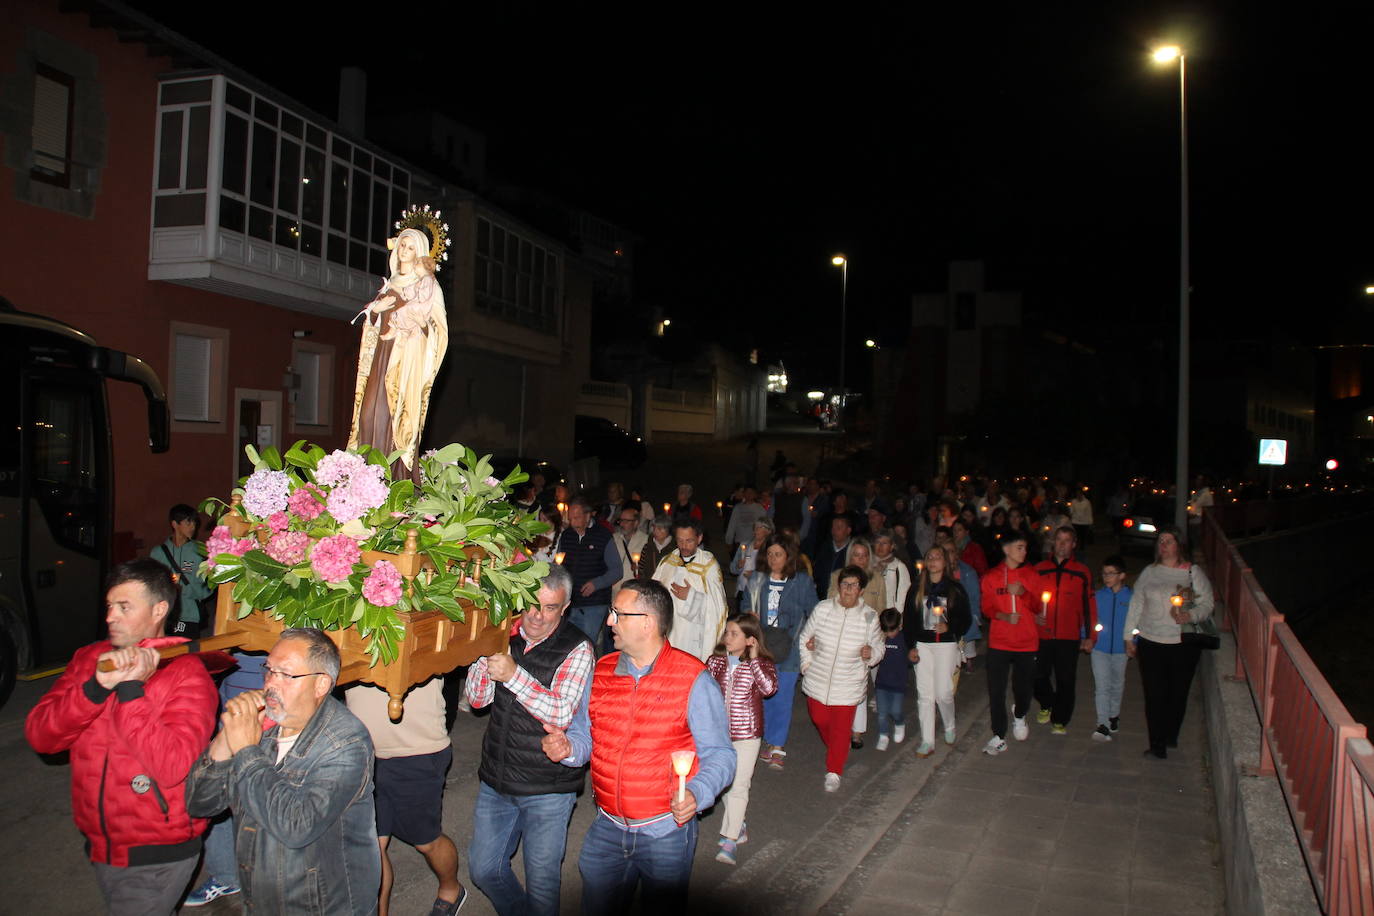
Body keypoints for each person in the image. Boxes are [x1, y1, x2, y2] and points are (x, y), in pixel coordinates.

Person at [26, 559, 217, 915]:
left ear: (159, 609)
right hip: (101, 842)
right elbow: (41, 737)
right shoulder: (89, 659)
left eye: (124, 607)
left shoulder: (187, 674)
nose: (110, 617)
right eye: (110, 606)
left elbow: (173, 764)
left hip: (158, 852)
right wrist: (96, 689)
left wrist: (130, 689)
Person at [540, 580, 734, 914]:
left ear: (647, 621)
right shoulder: (601, 671)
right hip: (608, 827)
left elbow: (721, 754)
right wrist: (567, 747)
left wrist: (697, 793)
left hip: (665, 832)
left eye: (618, 614)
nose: (610, 621)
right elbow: (585, 737)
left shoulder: (692, 678)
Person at [184, 629, 380, 914]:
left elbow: (295, 826)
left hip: (322, 905)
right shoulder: (262, 728)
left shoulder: (346, 742)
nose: (271, 683)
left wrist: (246, 752)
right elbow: (199, 803)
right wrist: (225, 740)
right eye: (269, 670)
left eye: (286, 675)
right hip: (264, 898)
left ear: (320, 684)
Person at [465, 565, 594, 916]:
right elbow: (477, 700)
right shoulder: (506, 633)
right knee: (484, 869)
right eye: (532, 604)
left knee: (542, 884)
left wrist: (514, 674)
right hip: (498, 776)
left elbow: (561, 714)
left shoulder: (578, 648)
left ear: (564, 607)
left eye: (550, 607)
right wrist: (485, 652)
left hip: (547, 787)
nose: (537, 616)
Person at [346, 676, 466, 916]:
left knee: (426, 841)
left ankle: (451, 888)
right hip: (363, 750)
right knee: (372, 847)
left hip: (417, 750)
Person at [349, 224, 448, 481]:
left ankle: (393, 480)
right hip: (381, 356)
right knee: (367, 413)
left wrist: (414, 324)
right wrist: (375, 309)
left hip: (405, 361)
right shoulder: (389, 284)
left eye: (411, 247)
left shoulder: (428, 286)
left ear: (421, 253)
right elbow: (372, 321)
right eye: (402, 245)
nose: (404, 250)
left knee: (392, 417)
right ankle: (365, 478)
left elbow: (438, 328)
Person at [1124, 526, 1215, 759]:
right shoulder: (1149, 572)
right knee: (1154, 694)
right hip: (1151, 640)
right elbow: (1136, 604)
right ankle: (1157, 744)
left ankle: (1171, 734)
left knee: (1177, 693)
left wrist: (1191, 616)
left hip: (1182, 643)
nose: (1163, 545)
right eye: (1161, 541)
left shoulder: (1192, 573)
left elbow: (1207, 604)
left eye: (1169, 541)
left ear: (1179, 546)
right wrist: (1128, 636)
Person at [798, 565, 885, 792]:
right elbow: (805, 637)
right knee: (820, 719)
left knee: (841, 729)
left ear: (861, 590)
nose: (848, 589)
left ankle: (834, 770)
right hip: (819, 678)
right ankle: (839, 748)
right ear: (839, 586)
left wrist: (871, 654)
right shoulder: (823, 609)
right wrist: (807, 664)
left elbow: (879, 646)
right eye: (845, 584)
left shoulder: (869, 617)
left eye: (854, 585)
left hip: (849, 683)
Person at [705, 614, 778, 865]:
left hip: (747, 734)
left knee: (739, 786)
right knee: (722, 784)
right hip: (718, 734)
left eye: (734, 633)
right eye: (727, 632)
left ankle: (729, 839)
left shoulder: (762, 663)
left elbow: (769, 689)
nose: (727, 637)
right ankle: (739, 824)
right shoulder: (715, 662)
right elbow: (703, 690)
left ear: (750, 640)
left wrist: (756, 660)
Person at [742, 534, 815, 771]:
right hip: (763, 642)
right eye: (770, 554)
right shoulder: (758, 579)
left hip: (791, 643)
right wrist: (749, 615)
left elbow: (813, 610)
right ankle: (768, 738)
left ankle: (777, 745)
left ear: (788, 556)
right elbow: (745, 605)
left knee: (782, 696)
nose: (774, 559)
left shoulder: (801, 581)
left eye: (779, 554)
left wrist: (811, 637)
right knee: (764, 693)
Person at [904, 546, 972, 757]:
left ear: (945, 562)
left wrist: (950, 627)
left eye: (938, 557)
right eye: (929, 557)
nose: (933, 561)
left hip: (945, 645)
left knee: (943, 692)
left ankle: (949, 724)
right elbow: (908, 620)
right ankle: (927, 740)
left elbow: (966, 618)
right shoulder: (916, 589)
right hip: (923, 644)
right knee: (925, 694)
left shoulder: (954, 589)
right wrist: (911, 646)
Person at [1032, 526, 1098, 734]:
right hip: (1042, 635)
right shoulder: (1040, 569)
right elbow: (1029, 600)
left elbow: (1089, 607)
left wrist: (1090, 636)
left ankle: (1060, 719)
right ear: (1053, 542)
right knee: (1037, 676)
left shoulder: (1081, 572)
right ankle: (1047, 702)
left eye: (1066, 540)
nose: (1062, 544)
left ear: (1074, 544)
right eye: (1059, 540)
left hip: (1068, 636)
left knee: (1065, 680)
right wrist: (1034, 615)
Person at [980, 532, 1041, 755]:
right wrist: (1004, 616)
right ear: (1006, 550)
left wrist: (1023, 593)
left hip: (1026, 642)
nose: (1024, 552)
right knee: (996, 690)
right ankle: (998, 734)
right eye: (1019, 547)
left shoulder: (1031, 574)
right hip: (1000, 642)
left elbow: (1037, 606)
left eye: (1025, 547)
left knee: (1023, 687)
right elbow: (986, 608)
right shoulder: (991, 576)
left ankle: (1020, 713)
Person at [825, 536, 887, 747]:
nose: (860, 559)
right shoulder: (836, 577)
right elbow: (829, 606)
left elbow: (881, 609)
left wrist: (879, 640)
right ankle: (843, 727)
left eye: (864, 555)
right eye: (856, 555)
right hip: (843, 638)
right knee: (845, 686)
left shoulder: (876, 578)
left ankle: (858, 730)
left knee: (861, 685)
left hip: (867, 640)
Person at [652, 520, 729, 662]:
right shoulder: (667, 562)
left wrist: (691, 597)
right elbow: (653, 596)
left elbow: (717, 607)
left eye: (689, 541)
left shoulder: (708, 565)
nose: (684, 546)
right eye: (680, 540)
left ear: (699, 538)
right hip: (669, 632)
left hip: (694, 636)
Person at [556, 496, 621, 649]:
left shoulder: (603, 536)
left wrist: (596, 583)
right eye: (570, 518)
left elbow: (617, 570)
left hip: (594, 603)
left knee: (585, 645)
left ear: (587, 515)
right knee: (568, 645)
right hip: (570, 603)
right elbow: (560, 564)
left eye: (577, 517)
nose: (572, 522)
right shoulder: (567, 536)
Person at [150, 503, 213, 638]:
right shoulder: (157, 553)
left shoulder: (200, 552)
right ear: (175, 524)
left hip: (190, 615)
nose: (193, 527)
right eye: (188, 522)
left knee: (188, 656)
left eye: (195, 523)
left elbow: (210, 584)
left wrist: (190, 590)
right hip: (164, 616)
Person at [1090, 555, 1133, 742]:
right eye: (1104, 573)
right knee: (1102, 686)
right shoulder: (1098, 596)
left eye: (1111, 574)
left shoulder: (1131, 597)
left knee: (1117, 684)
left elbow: (1137, 623)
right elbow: (1089, 618)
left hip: (1121, 649)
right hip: (1099, 648)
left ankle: (1113, 716)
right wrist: (1087, 637)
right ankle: (1102, 724)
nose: (1106, 577)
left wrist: (1133, 642)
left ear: (1122, 575)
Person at [874, 608, 912, 752]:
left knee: (896, 710)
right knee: (882, 713)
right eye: (886, 631)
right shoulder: (880, 639)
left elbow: (910, 659)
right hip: (882, 683)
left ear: (899, 626)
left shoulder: (903, 639)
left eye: (892, 630)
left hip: (898, 683)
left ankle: (899, 723)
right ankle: (883, 734)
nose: (889, 634)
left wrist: (913, 659)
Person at [730, 517, 775, 609]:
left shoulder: (771, 550)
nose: (756, 529)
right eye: (755, 526)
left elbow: (774, 573)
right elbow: (732, 569)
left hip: (758, 593)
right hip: (741, 590)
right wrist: (738, 566)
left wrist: (754, 575)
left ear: (768, 531)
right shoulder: (745, 545)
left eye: (760, 527)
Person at [873, 529, 912, 615]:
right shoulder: (867, 565)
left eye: (884, 543)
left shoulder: (898, 567)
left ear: (891, 546)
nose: (880, 546)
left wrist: (897, 616)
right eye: (878, 542)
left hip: (888, 615)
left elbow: (903, 594)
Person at [611, 505, 648, 594]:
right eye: (621, 520)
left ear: (636, 523)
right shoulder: (614, 539)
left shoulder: (645, 540)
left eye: (626, 521)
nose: (621, 524)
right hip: (614, 591)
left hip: (634, 591)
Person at [723, 485, 767, 553]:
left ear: (755, 495)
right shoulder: (737, 508)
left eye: (751, 492)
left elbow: (765, 526)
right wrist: (729, 541)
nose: (749, 495)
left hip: (755, 543)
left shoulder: (760, 509)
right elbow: (732, 524)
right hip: (740, 542)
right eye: (747, 492)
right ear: (744, 494)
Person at [637, 515, 675, 580]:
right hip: (650, 585)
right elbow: (641, 569)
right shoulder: (647, 547)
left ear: (668, 529)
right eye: (654, 528)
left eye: (659, 529)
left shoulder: (675, 549)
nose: (656, 532)